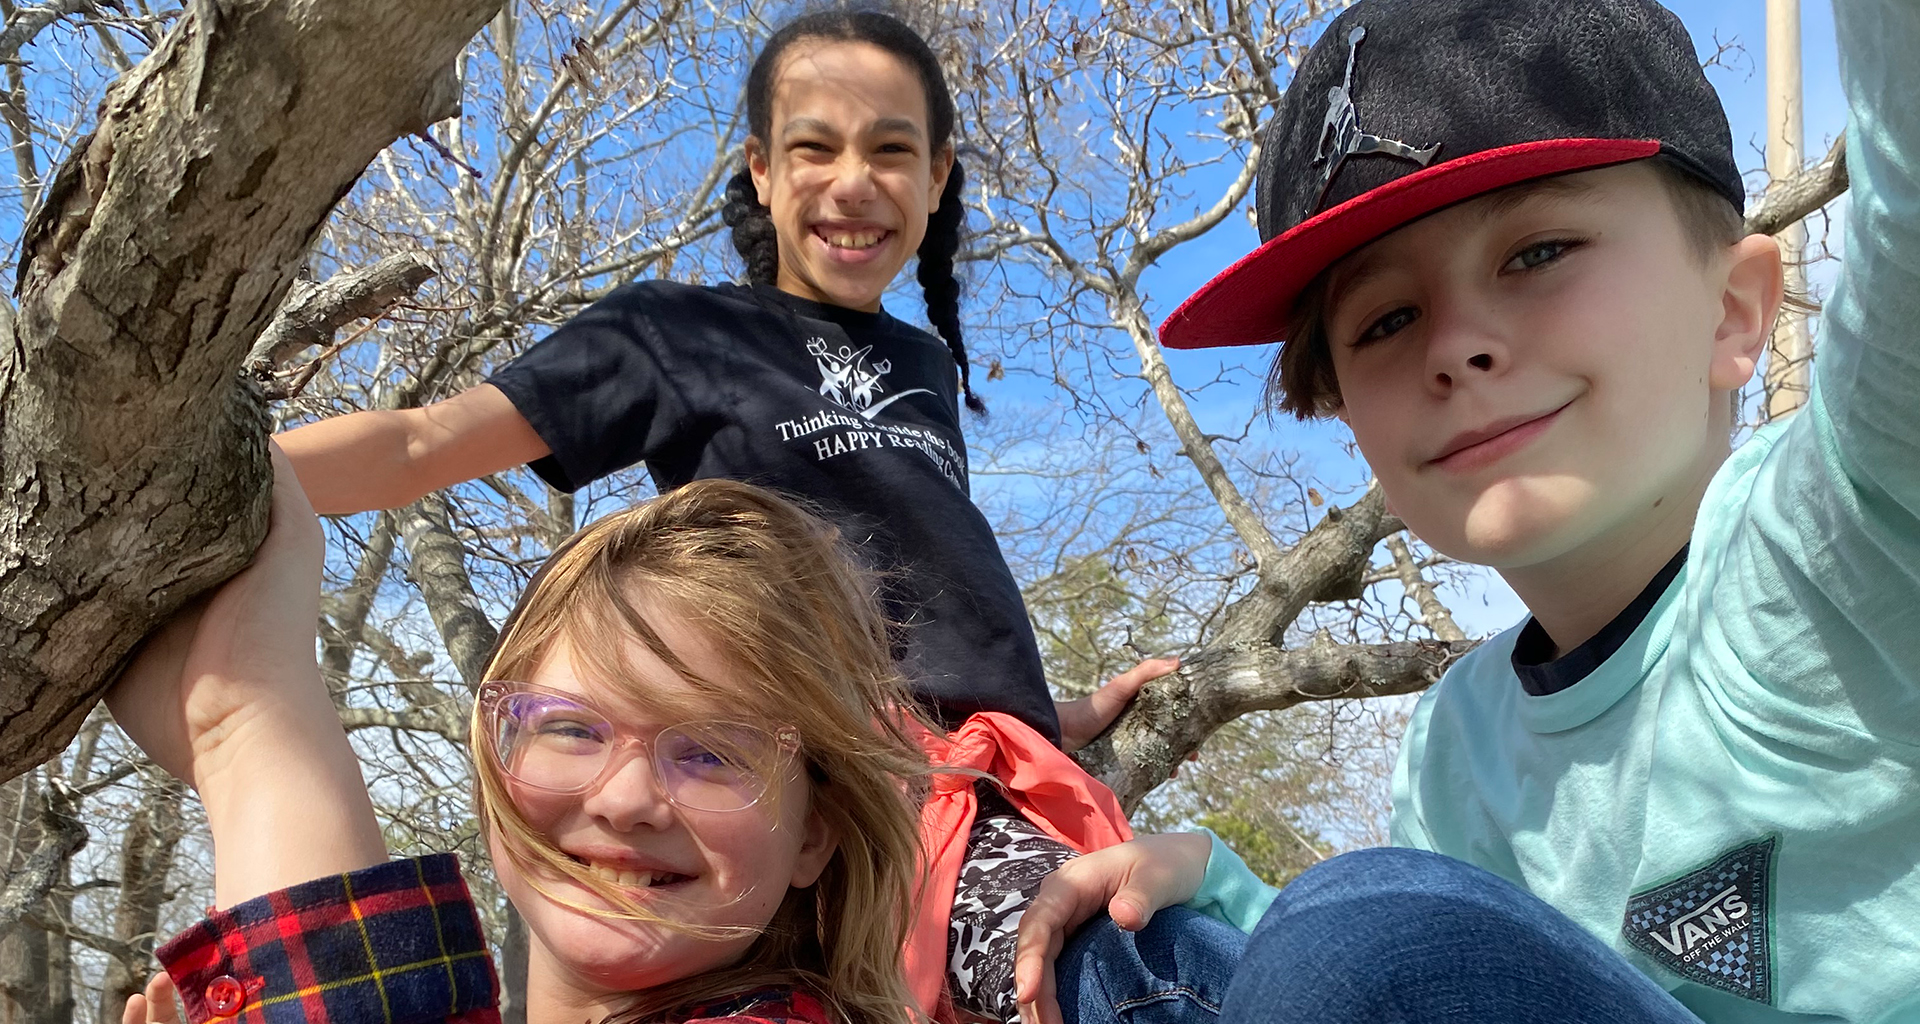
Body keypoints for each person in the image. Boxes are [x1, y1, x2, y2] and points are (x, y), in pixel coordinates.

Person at [271, 9, 1234, 1022]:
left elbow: (935, 580)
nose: (854, 181)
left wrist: (1047, 707)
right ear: (761, 169)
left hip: (988, 756)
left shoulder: (922, 364)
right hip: (812, 764)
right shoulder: (679, 334)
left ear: (940, 175)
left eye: (892, 150)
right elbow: (425, 444)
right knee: (1097, 957)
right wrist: (232, 474)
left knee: (1111, 924)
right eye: (814, 146)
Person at [1014, 0, 1920, 1020]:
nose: (1456, 345)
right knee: (1120, 955)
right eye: (1389, 319)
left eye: (1535, 253)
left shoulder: (1856, 533)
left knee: (1360, 924)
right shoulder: (1456, 748)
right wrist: (1233, 900)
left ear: (1734, 310)